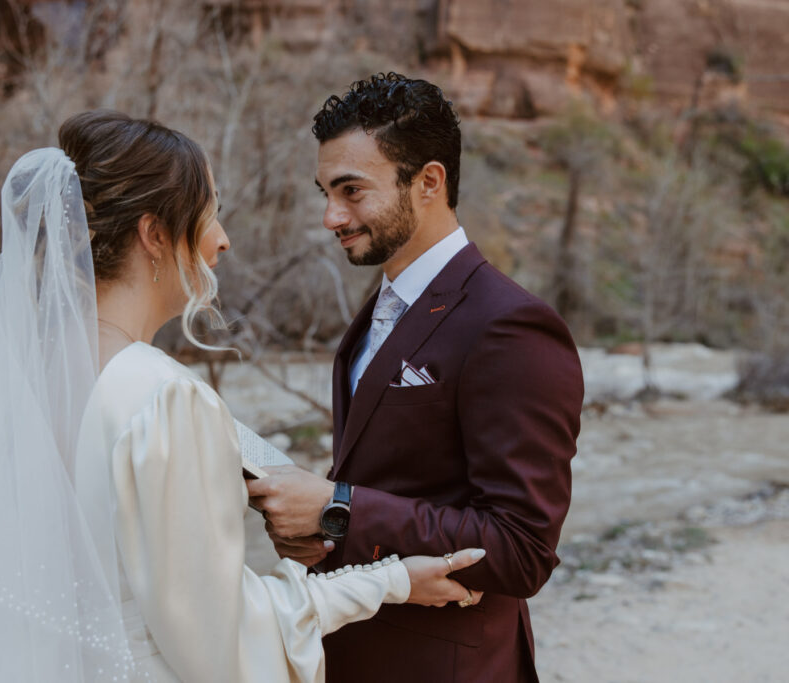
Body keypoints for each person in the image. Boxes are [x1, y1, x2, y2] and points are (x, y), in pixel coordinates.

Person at [0, 109, 488, 683]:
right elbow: (225, 641)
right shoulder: (163, 399)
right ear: (155, 233)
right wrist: (389, 582)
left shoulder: (32, 379)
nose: (223, 241)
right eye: (211, 213)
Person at [247, 73, 584, 681]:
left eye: (352, 191)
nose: (330, 215)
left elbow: (521, 549)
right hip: (358, 648)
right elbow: (395, 478)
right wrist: (321, 531)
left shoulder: (510, 325)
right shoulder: (376, 312)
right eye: (325, 191)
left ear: (429, 182)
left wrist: (338, 508)